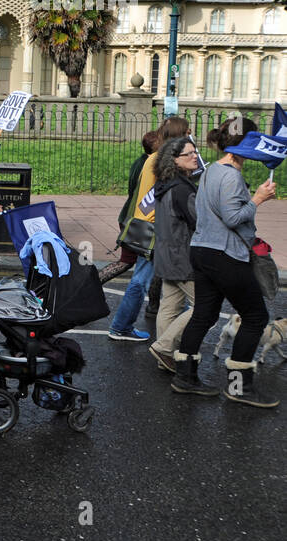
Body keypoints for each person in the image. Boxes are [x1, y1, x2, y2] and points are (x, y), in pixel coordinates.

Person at [171, 118, 279, 407]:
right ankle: (239, 387)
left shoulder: (212, 170)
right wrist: (258, 198)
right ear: (246, 144)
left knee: (204, 313)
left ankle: (185, 377)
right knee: (255, 317)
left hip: (203, 250)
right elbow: (232, 218)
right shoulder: (231, 176)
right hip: (225, 254)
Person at [109, 117, 190, 341]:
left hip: (144, 223)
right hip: (158, 227)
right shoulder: (168, 161)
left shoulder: (153, 158)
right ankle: (123, 326)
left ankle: (122, 326)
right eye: (187, 133)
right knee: (153, 280)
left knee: (151, 278)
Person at [149, 136, 201, 373]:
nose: (195, 156)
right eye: (188, 154)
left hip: (166, 256)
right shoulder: (182, 189)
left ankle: (164, 355)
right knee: (203, 307)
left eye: (195, 152)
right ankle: (164, 347)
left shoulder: (165, 184)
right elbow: (198, 221)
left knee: (169, 306)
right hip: (183, 258)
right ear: (174, 161)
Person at [99, 131, 159, 284]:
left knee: (131, 262)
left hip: (130, 215)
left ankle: (93, 281)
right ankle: (93, 281)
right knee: (127, 261)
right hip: (136, 218)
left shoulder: (140, 161)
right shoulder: (150, 164)